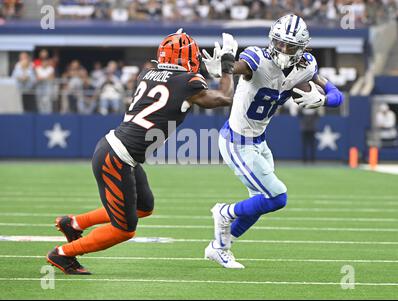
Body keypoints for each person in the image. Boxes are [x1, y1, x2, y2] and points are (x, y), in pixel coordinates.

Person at [46, 29, 237, 274]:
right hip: (117, 157)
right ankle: (62, 254)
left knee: (143, 207)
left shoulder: (147, 73)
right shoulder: (189, 83)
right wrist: (227, 68)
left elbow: (176, 84)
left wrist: (201, 73)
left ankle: (73, 223)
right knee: (124, 228)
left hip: (118, 151)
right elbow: (223, 97)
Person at [202, 14, 344, 268]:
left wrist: (323, 100)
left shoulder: (305, 66)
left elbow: (337, 95)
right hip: (237, 141)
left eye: (289, 46)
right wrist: (223, 69)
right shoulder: (258, 58)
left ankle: (219, 247)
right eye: (278, 43)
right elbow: (239, 67)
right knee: (277, 197)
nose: (282, 49)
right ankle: (224, 212)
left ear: (302, 48)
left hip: (259, 142)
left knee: (260, 203)